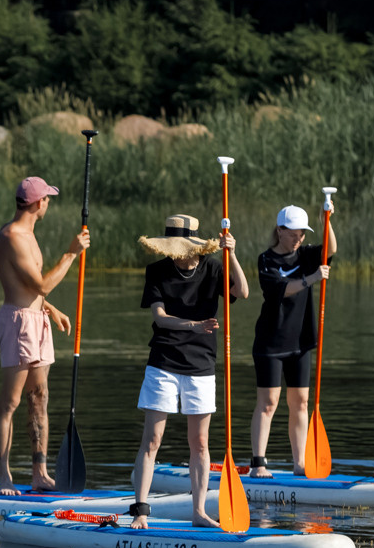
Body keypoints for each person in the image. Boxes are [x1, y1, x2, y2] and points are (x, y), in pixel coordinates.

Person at [128, 215, 248, 529]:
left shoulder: (213, 267)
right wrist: (194, 325)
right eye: (172, 248)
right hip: (164, 360)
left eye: (181, 248)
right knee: (152, 439)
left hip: (201, 364)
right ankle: (140, 510)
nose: (176, 254)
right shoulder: (157, 271)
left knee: (200, 442)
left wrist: (231, 253)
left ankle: (198, 512)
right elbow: (161, 317)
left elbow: (244, 291)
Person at [0, 175, 90, 494]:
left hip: (37, 318)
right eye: (46, 198)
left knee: (39, 398)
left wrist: (50, 308)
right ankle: (4, 475)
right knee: (11, 401)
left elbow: (33, 290)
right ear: (36, 203)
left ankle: (39, 474)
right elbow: (41, 283)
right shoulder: (13, 237)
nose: (48, 203)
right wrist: (71, 254)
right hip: (18, 324)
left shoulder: (29, 235)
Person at [248, 206, 337, 475]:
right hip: (270, 343)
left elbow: (330, 250)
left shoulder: (306, 255)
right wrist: (312, 278)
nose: (299, 238)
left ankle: (300, 464)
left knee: (300, 403)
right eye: (294, 233)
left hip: (301, 342)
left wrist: (326, 221)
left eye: (302, 234)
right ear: (280, 231)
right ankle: (258, 464)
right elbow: (281, 289)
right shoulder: (266, 260)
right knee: (269, 403)